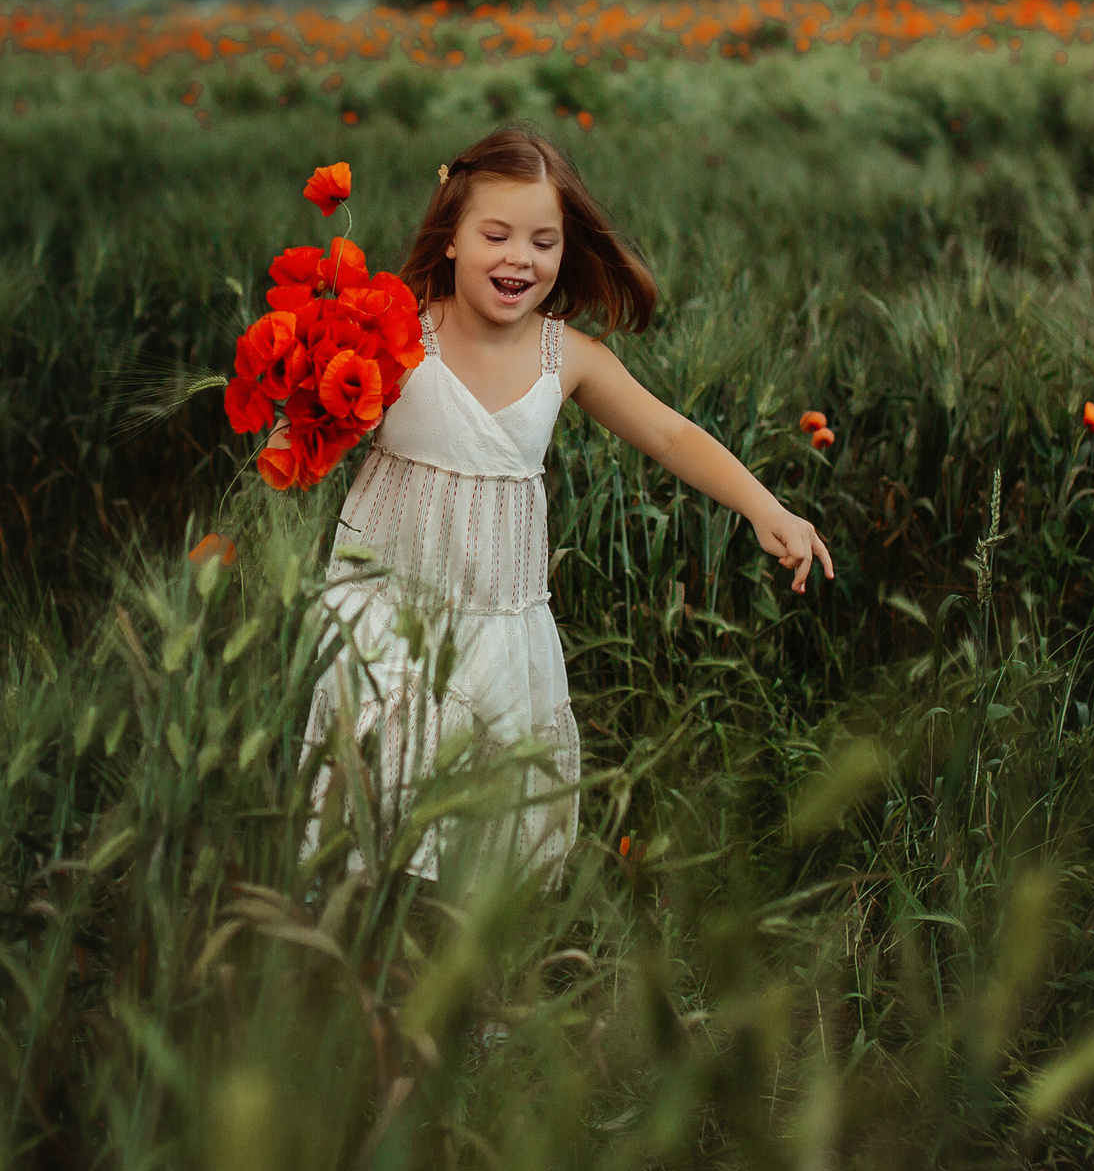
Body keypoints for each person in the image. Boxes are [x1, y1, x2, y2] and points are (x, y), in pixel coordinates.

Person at [304, 126, 833, 885]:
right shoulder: (397, 333)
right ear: (450, 236)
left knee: (481, 828)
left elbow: (671, 433)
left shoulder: (569, 357)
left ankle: (471, 983)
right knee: (378, 801)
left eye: (543, 241)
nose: (520, 257)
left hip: (499, 621)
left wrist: (763, 507)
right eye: (497, 234)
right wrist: (297, 403)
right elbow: (317, 418)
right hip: (387, 603)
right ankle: (360, 954)